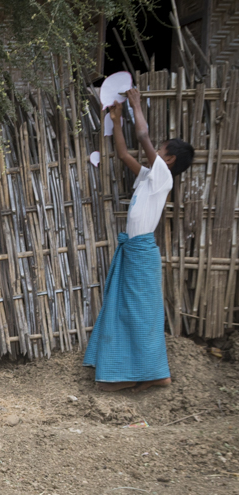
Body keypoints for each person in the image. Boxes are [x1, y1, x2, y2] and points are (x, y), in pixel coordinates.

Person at [83, 88, 195, 392]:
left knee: (140, 313)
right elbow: (122, 153)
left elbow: (143, 136)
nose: (152, 150)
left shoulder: (164, 177)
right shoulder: (150, 177)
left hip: (141, 251)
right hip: (135, 251)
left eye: (159, 149)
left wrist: (135, 106)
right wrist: (118, 122)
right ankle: (143, 374)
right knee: (131, 311)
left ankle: (152, 374)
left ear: (169, 160)